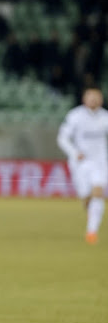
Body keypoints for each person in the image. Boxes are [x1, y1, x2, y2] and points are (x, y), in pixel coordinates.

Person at [57, 88, 108, 244]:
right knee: (86, 196)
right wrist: (74, 152)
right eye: (90, 97)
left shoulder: (105, 116)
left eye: (96, 98)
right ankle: (90, 209)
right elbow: (62, 138)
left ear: (101, 100)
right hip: (81, 163)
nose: (94, 100)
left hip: (100, 162)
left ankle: (91, 232)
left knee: (98, 192)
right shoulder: (75, 116)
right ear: (84, 99)